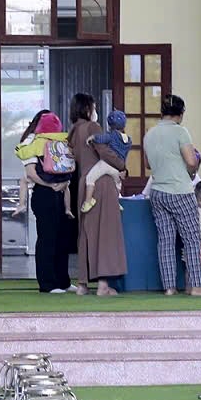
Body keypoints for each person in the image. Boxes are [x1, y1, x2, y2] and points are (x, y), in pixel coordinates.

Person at [142, 94, 201, 297]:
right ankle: (196, 286)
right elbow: (191, 161)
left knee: (165, 241)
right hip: (180, 191)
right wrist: (192, 167)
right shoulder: (181, 132)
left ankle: (169, 288)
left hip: (158, 192)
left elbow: (148, 164)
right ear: (180, 114)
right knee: (191, 239)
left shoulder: (150, 134)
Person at [69, 93, 128, 297]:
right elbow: (105, 153)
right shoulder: (93, 128)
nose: (96, 111)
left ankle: (83, 284)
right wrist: (122, 166)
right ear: (88, 109)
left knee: (86, 233)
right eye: (93, 107)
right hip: (102, 183)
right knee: (105, 233)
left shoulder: (74, 131)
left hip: (84, 183)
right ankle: (103, 285)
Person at [23, 111, 76, 293]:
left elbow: (66, 165)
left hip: (60, 191)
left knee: (62, 238)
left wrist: (63, 183)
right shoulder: (31, 142)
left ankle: (63, 280)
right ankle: (47, 283)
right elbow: (31, 173)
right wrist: (49, 184)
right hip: (43, 193)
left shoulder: (58, 143)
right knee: (47, 238)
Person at [14, 112, 74, 221]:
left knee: (24, 180)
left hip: (45, 179)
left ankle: (21, 204)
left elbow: (25, 153)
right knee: (66, 188)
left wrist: (18, 149)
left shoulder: (38, 141)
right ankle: (68, 208)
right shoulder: (65, 140)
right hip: (63, 176)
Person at [80, 110, 132, 215]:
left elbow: (101, 139)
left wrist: (92, 137)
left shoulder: (112, 135)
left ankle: (88, 201)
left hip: (106, 164)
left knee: (90, 178)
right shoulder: (129, 140)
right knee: (117, 183)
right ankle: (117, 201)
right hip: (118, 168)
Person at [12, 110, 51, 216]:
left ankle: (21, 204)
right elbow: (31, 173)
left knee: (23, 180)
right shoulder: (33, 139)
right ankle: (21, 204)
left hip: (44, 187)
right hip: (43, 189)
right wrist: (51, 185)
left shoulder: (39, 138)